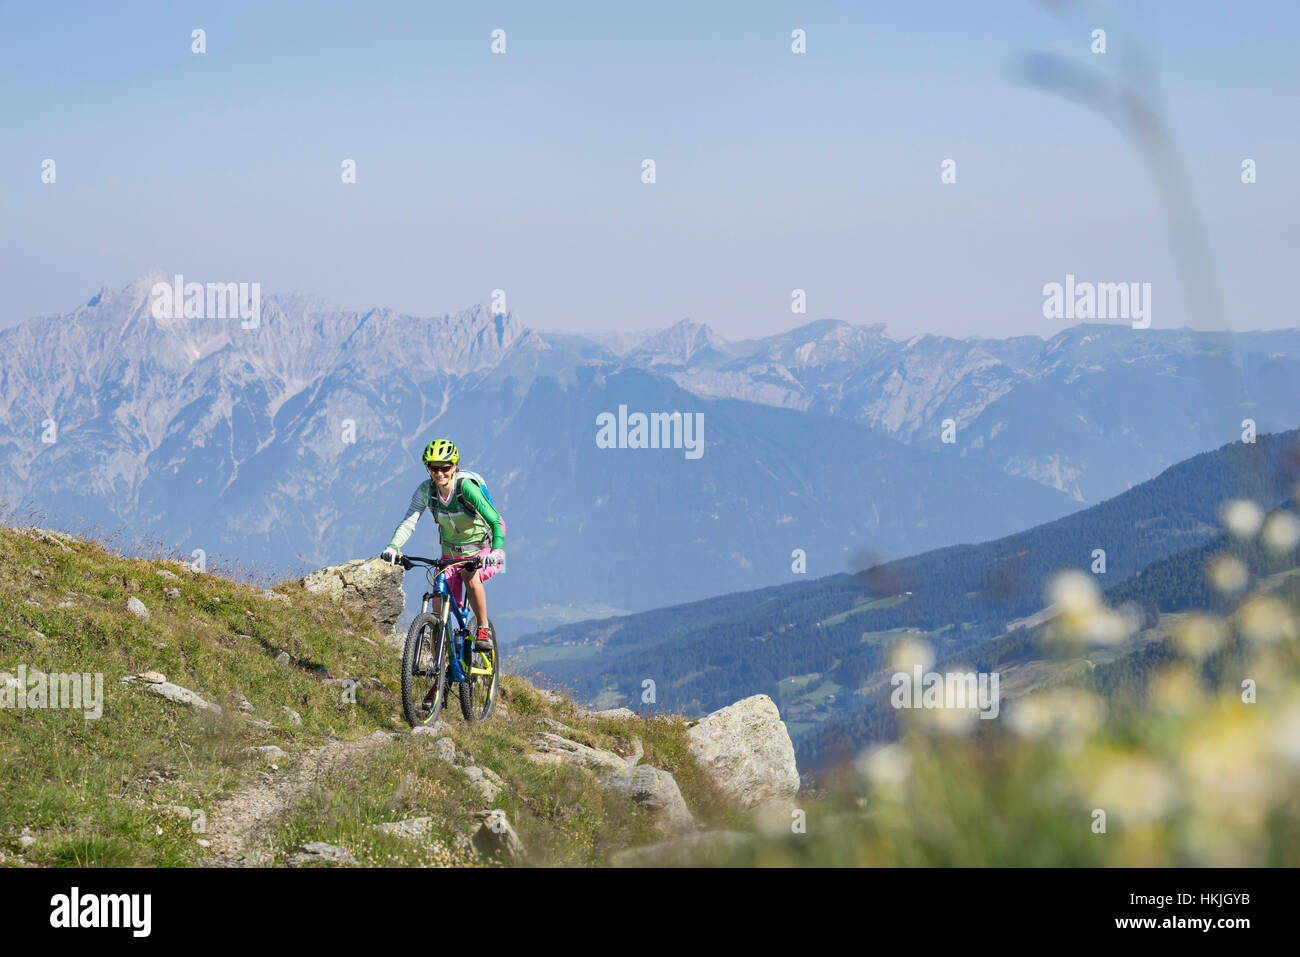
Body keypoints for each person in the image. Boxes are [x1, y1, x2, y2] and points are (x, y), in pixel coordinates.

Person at [380, 439, 505, 650]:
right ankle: (442, 666)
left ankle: (483, 627)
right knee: (438, 598)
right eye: (434, 468)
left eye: (445, 468)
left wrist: (496, 549)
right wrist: (393, 546)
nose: (440, 473)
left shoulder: (465, 488)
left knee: (469, 575)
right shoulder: (426, 491)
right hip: (451, 552)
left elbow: (494, 520)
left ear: (455, 466)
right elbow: (409, 521)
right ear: (428, 468)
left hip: (484, 546)